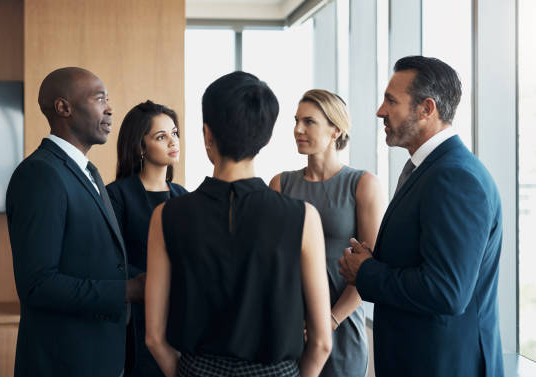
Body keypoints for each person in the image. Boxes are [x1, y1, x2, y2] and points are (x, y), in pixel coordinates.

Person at [145, 71, 332, 377]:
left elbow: (154, 337)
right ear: (267, 138)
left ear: (207, 134)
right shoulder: (303, 216)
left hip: (197, 369)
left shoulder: (166, 215)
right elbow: (322, 342)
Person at [339, 56, 504, 377]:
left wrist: (367, 272)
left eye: (391, 101)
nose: (379, 111)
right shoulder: (430, 170)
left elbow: (447, 291)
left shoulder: (454, 177)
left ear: (427, 109)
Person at [6, 67, 144, 377]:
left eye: (108, 99)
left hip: (103, 358)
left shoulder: (89, 172)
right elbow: (38, 284)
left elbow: (96, 261)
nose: (109, 108)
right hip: (64, 362)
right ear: (63, 107)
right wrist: (128, 291)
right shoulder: (40, 175)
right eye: (99, 98)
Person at [270, 89, 385, 377]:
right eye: (296, 121)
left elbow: (371, 267)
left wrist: (329, 321)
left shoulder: (363, 184)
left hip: (342, 328)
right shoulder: (280, 185)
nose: (298, 129)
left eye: (309, 122)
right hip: (289, 328)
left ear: (335, 130)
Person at [107, 100, 188, 377]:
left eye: (174, 133)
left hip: (182, 317)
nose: (173, 142)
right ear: (141, 146)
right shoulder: (116, 195)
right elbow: (111, 262)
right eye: (161, 136)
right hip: (137, 319)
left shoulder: (183, 196)